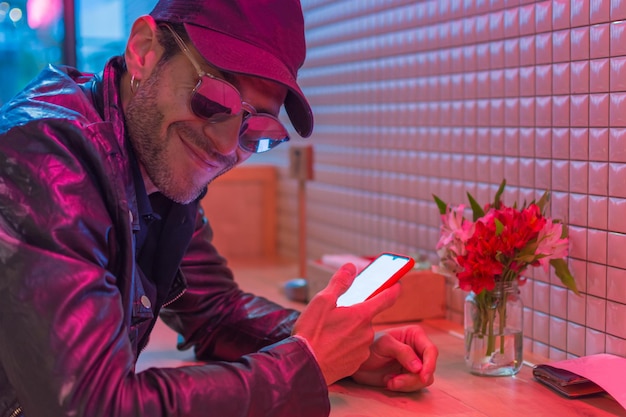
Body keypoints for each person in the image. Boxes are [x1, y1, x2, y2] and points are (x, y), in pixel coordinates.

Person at [0, 0, 438, 416]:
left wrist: (333, 347)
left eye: (257, 130)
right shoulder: (44, 160)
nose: (227, 146)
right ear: (143, 52)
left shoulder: (155, 163)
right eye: (214, 101)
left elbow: (214, 312)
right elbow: (93, 406)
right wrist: (304, 365)